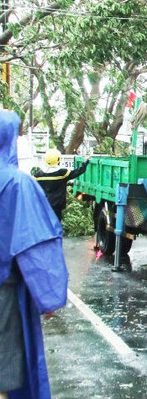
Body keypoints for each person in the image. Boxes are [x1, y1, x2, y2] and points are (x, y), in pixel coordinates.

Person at [0, 110, 69, 399]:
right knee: (5, 374)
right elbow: (35, 244)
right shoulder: (16, 184)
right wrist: (49, 296)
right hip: (4, 295)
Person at [32, 148, 90, 221]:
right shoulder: (62, 173)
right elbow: (78, 171)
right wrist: (86, 162)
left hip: (43, 205)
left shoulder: (38, 175)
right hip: (57, 206)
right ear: (58, 160)